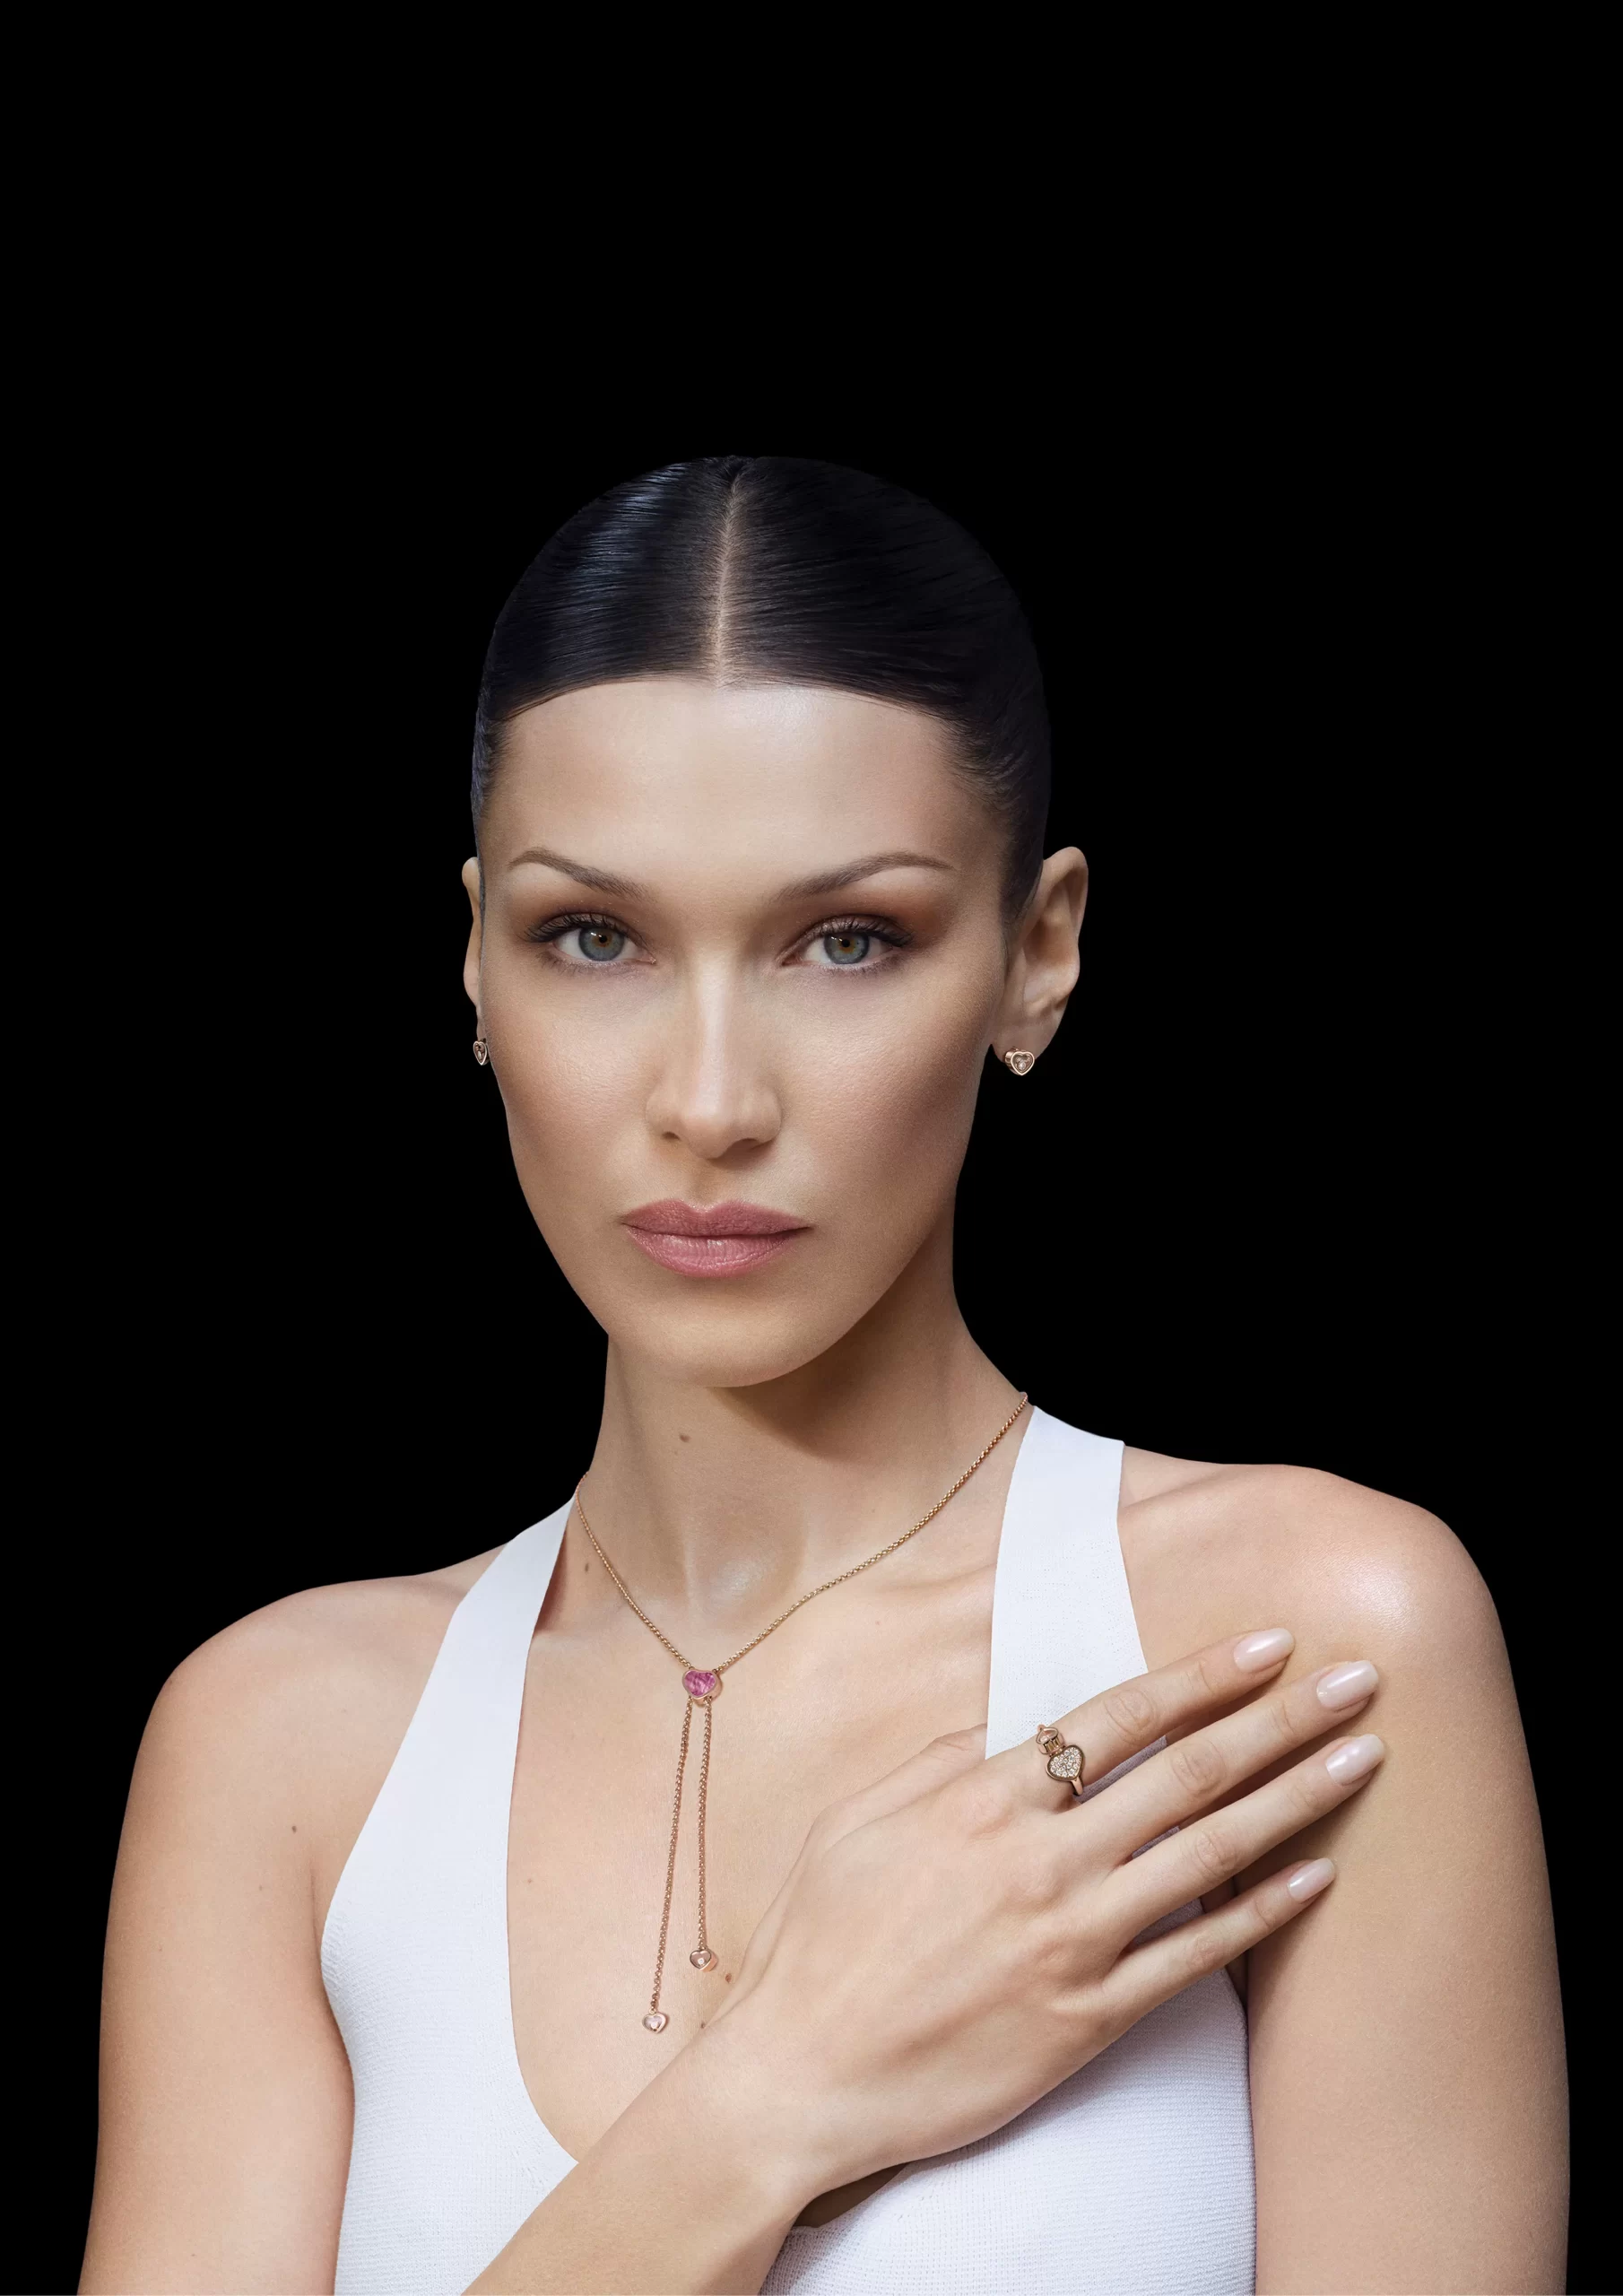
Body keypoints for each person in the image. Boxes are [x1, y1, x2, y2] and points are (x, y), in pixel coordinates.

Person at [81, 457, 1567, 2295]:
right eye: (593, 937)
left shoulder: (1297, 1650)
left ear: (1035, 954)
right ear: (474, 960)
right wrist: (771, 2098)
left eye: (845, 939)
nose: (710, 1101)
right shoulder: (283, 1743)